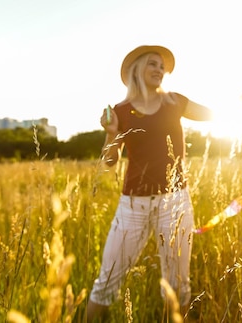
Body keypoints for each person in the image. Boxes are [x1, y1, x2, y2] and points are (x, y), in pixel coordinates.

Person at [86, 45, 213, 322]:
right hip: (133, 205)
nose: (159, 70)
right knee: (107, 280)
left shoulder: (175, 102)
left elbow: (213, 114)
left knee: (177, 284)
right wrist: (110, 134)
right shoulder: (121, 110)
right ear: (136, 70)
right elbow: (109, 161)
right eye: (152, 64)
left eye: (162, 67)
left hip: (175, 201)